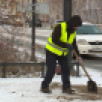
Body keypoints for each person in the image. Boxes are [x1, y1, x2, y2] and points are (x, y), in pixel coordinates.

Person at [41, 15, 82, 94]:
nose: (77, 28)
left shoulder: (73, 32)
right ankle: (44, 86)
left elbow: (74, 44)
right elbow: (54, 39)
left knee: (66, 69)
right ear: (73, 24)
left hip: (62, 53)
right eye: (76, 26)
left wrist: (78, 56)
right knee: (51, 70)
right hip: (51, 51)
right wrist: (66, 45)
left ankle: (66, 88)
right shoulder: (60, 27)